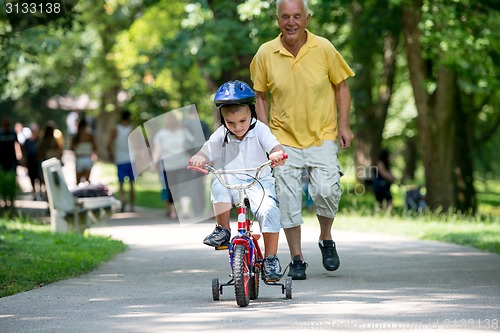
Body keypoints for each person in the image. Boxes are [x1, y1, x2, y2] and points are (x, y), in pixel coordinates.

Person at [250, 0, 355, 280]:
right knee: (287, 198)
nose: (291, 22)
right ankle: (297, 257)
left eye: (297, 16)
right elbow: (260, 96)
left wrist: (344, 126)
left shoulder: (324, 48)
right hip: (282, 138)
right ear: (277, 20)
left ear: (307, 18)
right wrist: (265, 137)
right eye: (285, 17)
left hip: (323, 134)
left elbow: (341, 86)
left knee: (326, 190)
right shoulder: (265, 53)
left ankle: (325, 237)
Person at [189, 80, 287, 282]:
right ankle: (223, 230)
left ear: (251, 112)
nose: (237, 127)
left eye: (243, 121)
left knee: (270, 210)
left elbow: (274, 147)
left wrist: (277, 155)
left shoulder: (260, 129)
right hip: (231, 181)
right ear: (223, 119)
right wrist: (201, 157)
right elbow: (207, 151)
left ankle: (270, 258)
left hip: (259, 180)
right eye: (230, 122)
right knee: (217, 184)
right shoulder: (222, 133)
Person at [152, 112, 194, 219]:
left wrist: (153, 163)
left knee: (171, 189)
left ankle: (173, 212)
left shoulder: (161, 134)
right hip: (183, 163)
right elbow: (191, 144)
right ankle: (185, 210)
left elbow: (157, 150)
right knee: (184, 186)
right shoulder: (183, 132)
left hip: (168, 165)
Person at [108, 110, 135, 212]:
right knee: (132, 183)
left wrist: (111, 154)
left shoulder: (116, 129)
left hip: (120, 159)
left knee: (121, 183)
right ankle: (132, 206)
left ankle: (123, 199)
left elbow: (109, 143)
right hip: (131, 159)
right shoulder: (131, 129)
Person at [71, 119, 97, 184]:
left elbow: (71, 148)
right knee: (87, 182)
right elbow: (95, 147)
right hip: (88, 158)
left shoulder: (76, 136)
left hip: (79, 159)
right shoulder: (90, 135)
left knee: (78, 182)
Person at [22, 123, 42, 198]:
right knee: (32, 177)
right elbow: (24, 151)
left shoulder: (39, 140)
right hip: (30, 161)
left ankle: (40, 191)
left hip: (38, 161)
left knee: (39, 177)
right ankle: (34, 193)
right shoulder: (27, 141)